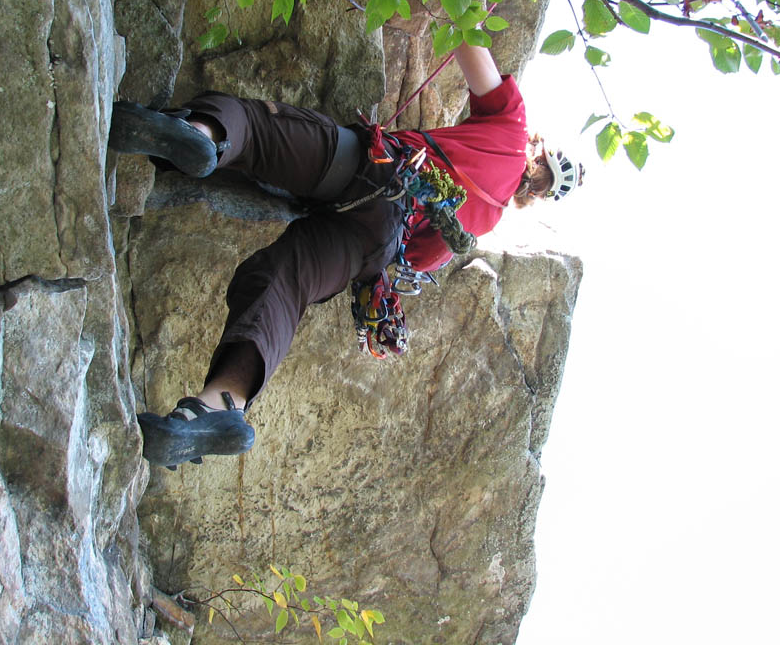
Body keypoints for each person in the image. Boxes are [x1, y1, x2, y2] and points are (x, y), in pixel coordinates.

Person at [109, 43, 582, 469]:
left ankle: (201, 135)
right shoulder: (480, 226)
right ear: (531, 197)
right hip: (372, 247)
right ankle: (216, 407)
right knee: (283, 282)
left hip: (375, 170)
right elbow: (411, 263)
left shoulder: (510, 124)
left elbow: (466, 36)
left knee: (258, 130)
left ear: (537, 150)